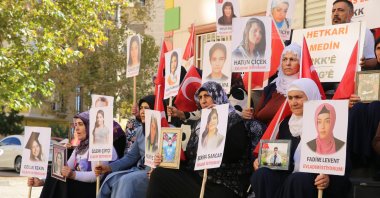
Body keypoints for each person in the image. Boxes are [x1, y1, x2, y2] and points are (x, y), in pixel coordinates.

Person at [147, 81, 252, 198]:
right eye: (200, 97)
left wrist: (219, 127)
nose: (203, 100)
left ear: (217, 96)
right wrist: (165, 159)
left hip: (222, 183)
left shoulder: (234, 120)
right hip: (198, 180)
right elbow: (189, 158)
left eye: (207, 96)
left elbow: (235, 153)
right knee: (159, 174)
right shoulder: (199, 124)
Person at [251, 78, 350, 198]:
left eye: (298, 97)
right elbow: (280, 161)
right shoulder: (285, 124)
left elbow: (341, 163)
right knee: (262, 174)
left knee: (298, 179)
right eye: (290, 98)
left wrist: (328, 179)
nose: (293, 102)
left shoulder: (328, 123)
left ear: (311, 96)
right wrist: (264, 162)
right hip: (289, 180)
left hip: (313, 184)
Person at [27, 111, 118, 198]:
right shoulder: (80, 147)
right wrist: (42, 181)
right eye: (75, 125)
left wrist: (73, 175)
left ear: (90, 126)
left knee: (65, 183)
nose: (76, 128)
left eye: (81, 124)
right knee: (55, 173)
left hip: (97, 188)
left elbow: (97, 176)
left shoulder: (101, 144)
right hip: (81, 187)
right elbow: (64, 170)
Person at [94, 95, 155, 198]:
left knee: (125, 181)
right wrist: (108, 167)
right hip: (138, 170)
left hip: (152, 173)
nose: (143, 111)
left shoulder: (166, 129)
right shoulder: (140, 130)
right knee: (110, 179)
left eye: (147, 108)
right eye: (141, 108)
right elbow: (131, 157)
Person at [242, 43, 301, 125]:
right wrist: (248, 115)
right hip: (264, 134)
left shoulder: (303, 89)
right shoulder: (272, 87)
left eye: (292, 59)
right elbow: (257, 116)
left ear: (301, 62)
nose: (287, 63)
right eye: (284, 59)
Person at [330, 0, 376, 69]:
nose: (335, 14)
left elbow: (374, 61)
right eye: (333, 11)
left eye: (341, 10)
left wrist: (364, 63)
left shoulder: (363, 31)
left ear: (351, 14)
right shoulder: (325, 34)